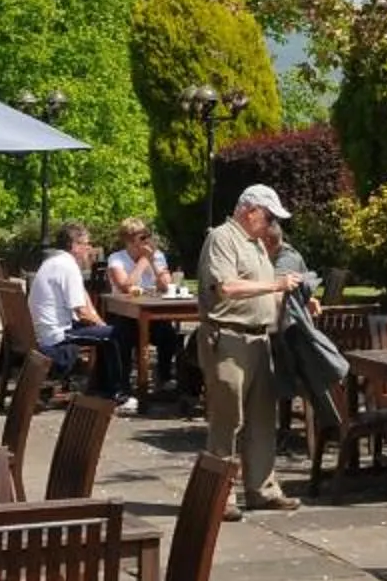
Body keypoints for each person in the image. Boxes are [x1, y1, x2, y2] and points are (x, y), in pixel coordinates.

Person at [199, 182, 305, 514]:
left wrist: (295, 300)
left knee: (262, 418)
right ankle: (220, 495)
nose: (272, 224)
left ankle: (262, 488)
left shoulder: (256, 243)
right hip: (229, 339)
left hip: (260, 339)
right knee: (228, 418)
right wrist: (276, 284)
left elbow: (261, 293)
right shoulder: (221, 238)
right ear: (250, 210)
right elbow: (227, 287)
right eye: (268, 216)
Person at [28, 222, 134, 414]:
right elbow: (82, 312)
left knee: (108, 333)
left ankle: (100, 387)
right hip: (56, 338)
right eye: (86, 244)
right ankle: (117, 395)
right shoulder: (68, 267)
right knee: (117, 334)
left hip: (42, 332)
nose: (89, 248)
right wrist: (104, 327)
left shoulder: (52, 262)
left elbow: (82, 301)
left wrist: (101, 327)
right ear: (74, 245)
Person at [102, 216, 187, 399]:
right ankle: (123, 387)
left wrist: (156, 265)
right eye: (141, 238)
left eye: (147, 236)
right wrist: (143, 261)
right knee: (122, 337)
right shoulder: (116, 259)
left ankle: (164, 379)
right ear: (129, 240)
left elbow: (166, 285)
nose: (146, 241)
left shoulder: (156, 256)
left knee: (169, 336)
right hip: (125, 314)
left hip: (150, 313)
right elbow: (125, 285)